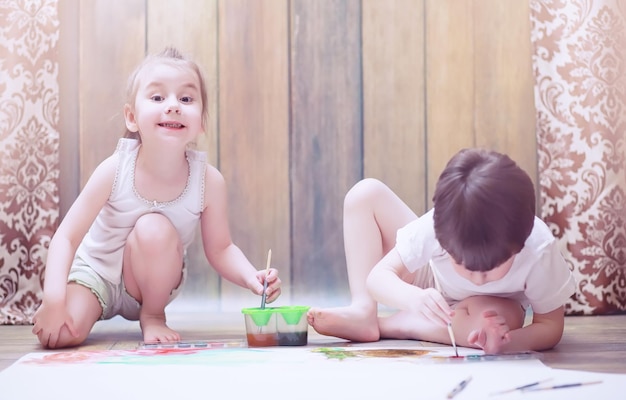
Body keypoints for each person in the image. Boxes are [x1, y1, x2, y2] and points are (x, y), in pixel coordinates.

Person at [32, 47, 281, 348]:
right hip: (95, 273)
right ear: (132, 117)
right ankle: (82, 308)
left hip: (152, 282)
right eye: (158, 98)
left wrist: (251, 277)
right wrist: (54, 300)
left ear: (201, 121)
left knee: (154, 227)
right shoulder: (115, 169)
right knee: (58, 336)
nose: (173, 106)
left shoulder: (208, 181)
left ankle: (152, 316)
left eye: (186, 99)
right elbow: (67, 237)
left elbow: (221, 248)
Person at [307, 148, 575, 354]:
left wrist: (506, 342)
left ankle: (395, 326)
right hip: (429, 280)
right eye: (465, 265)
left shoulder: (538, 249)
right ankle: (364, 312)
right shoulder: (440, 224)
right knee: (364, 194)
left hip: (493, 305)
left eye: (492, 268)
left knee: (494, 322)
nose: (478, 279)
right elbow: (378, 278)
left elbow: (550, 326)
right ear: (443, 236)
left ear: (521, 241)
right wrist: (414, 298)